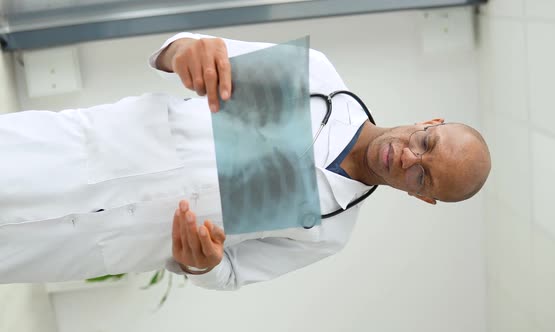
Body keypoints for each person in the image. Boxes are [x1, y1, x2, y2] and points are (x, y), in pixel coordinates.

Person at [0, 32, 491, 289]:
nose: (406, 156)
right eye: (426, 144)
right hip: (78, 149)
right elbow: (180, 51)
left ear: (423, 197)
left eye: (421, 175)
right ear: (430, 123)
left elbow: (230, 273)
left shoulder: (330, 229)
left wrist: (206, 264)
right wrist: (186, 52)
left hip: (93, 243)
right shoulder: (314, 77)